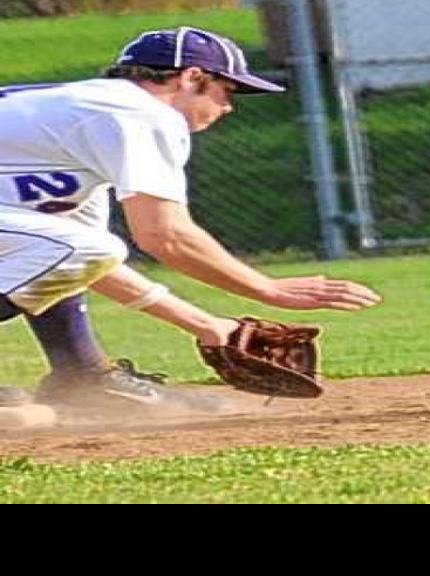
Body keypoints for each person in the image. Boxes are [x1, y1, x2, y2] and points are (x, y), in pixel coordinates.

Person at [0, 27, 381, 413]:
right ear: (192, 77)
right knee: (84, 247)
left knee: (76, 249)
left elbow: (90, 268)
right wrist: (266, 288)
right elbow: (165, 236)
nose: (228, 106)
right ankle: (80, 373)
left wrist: (207, 326)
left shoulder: (76, 127)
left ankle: (80, 374)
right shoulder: (142, 115)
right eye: (226, 90)